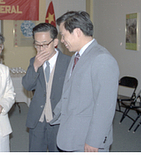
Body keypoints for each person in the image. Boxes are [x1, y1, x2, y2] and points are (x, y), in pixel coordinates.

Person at [50, 11, 119, 152]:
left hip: (87, 140)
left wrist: (94, 140)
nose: (62, 40)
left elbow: (105, 106)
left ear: (77, 32)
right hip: (72, 132)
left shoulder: (102, 59)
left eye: (63, 35)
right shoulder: (77, 55)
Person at [22, 23, 71, 152]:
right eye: (37, 44)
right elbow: (27, 85)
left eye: (45, 44)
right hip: (37, 119)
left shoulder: (68, 62)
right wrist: (35, 66)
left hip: (59, 120)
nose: (41, 48)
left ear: (55, 42)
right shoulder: (34, 61)